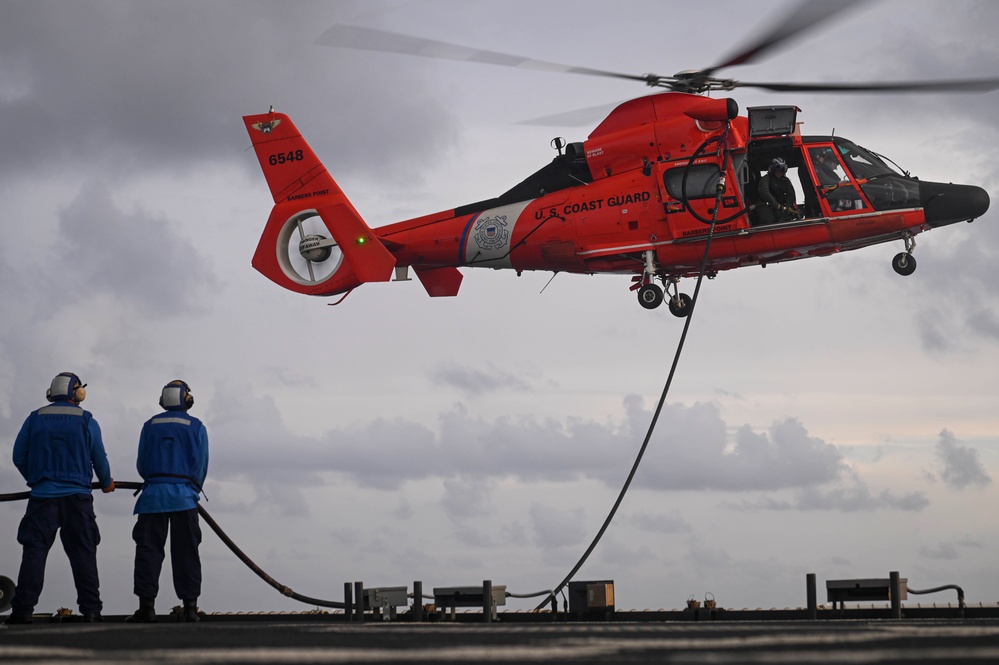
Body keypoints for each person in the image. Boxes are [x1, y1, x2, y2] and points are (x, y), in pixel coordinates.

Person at [6, 372, 115, 625]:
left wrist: (37, 478)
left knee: (34, 552)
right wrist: (107, 482)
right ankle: (91, 611)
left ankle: (22, 611)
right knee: (83, 554)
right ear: (78, 393)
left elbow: (18, 457)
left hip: (41, 498)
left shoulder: (34, 418)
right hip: (78, 499)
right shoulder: (87, 419)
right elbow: (99, 456)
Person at [126, 380, 209, 623]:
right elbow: (201, 466)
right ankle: (191, 608)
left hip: (152, 498)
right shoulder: (197, 427)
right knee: (187, 553)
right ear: (187, 399)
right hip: (184, 498)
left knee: (148, 552)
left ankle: (146, 608)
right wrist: (191, 489)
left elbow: (141, 464)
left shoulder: (149, 426)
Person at [756, 157, 800, 224]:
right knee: (767, 218)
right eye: (777, 170)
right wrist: (776, 204)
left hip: (780, 207)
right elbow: (764, 191)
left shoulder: (785, 181)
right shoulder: (766, 179)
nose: (779, 173)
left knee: (789, 217)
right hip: (767, 205)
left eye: (781, 171)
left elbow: (791, 194)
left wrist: (788, 206)